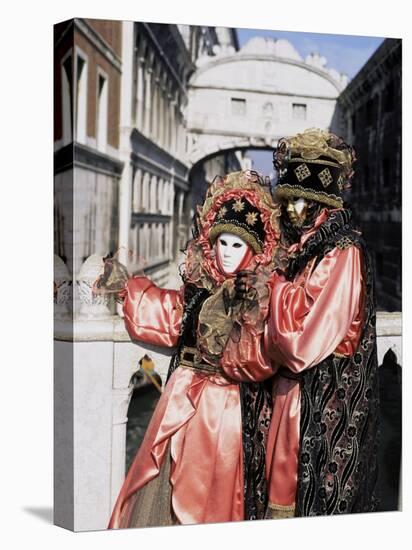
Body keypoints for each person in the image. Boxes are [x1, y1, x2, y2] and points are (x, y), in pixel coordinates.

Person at [100, 170, 281, 528]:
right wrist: (128, 289)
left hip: (224, 411)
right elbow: (171, 314)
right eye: (222, 243)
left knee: (208, 496)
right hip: (179, 397)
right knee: (160, 488)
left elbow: (257, 360)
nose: (227, 254)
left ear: (254, 251)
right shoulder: (200, 287)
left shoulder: (257, 300)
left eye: (237, 245)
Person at [260, 128, 380, 518]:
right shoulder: (302, 250)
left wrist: (273, 286)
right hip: (288, 402)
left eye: (300, 200)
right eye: (288, 199)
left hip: (316, 410)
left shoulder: (342, 254)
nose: (290, 209)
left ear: (318, 204)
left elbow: (300, 347)